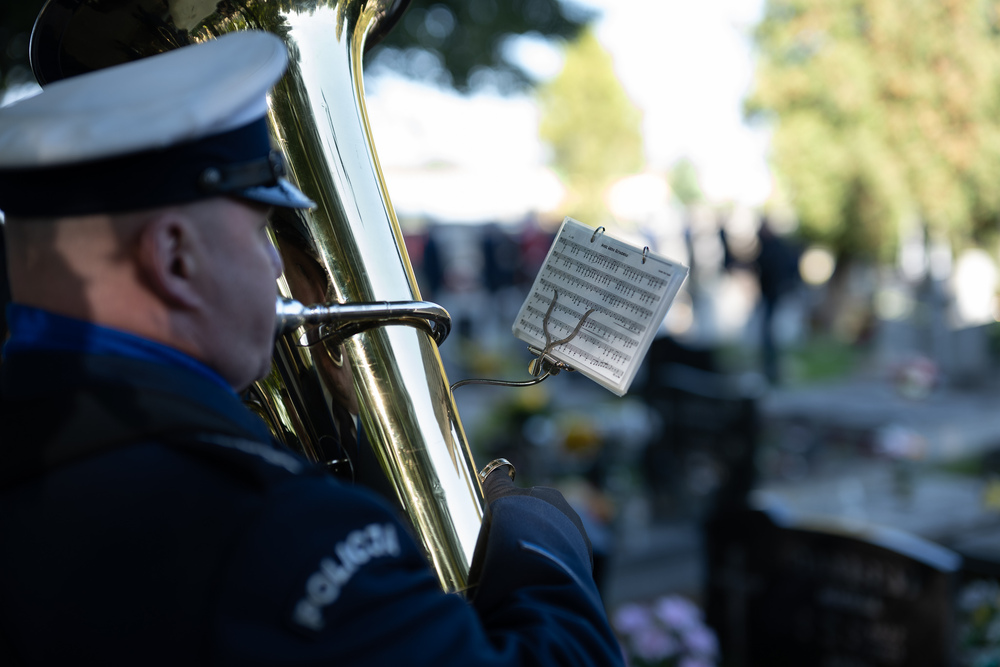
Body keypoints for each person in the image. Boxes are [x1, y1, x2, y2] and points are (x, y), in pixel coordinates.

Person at [0, 31, 623, 666]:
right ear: (175, 258)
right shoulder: (269, 531)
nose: (274, 262)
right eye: (257, 232)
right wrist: (547, 548)